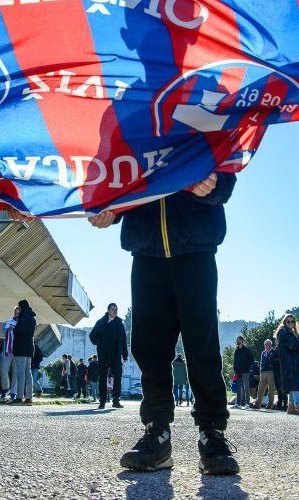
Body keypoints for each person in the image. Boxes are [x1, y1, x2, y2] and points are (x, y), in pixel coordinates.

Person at [89, 172, 239, 475]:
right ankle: (157, 433)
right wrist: (107, 204)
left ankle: (212, 432)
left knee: (203, 345)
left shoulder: (203, 122)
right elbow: (116, 163)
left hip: (195, 245)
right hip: (146, 248)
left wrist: (217, 185)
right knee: (149, 348)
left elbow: (229, 153)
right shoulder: (129, 124)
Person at [89, 303, 128, 410]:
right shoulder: (101, 322)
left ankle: (116, 400)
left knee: (118, 378)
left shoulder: (120, 324)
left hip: (116, 355)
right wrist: (101, 343)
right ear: (108, 310)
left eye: (116, 309)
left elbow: (124, 340)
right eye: (113, 309)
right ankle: (102, 401)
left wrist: (125, 355)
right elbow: (92, 336)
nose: (115, 311)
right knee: (102, 378)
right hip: (104, 355)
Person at [276, 315, 299, 415]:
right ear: (284, 322)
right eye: (288, 322)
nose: (290, 323)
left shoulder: (291, 333)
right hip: (289, 362)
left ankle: (291, 407)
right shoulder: (283, 333)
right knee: (294, 384)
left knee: (292, 384)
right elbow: (292, 345)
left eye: (292, 321)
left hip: (292, 362)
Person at [11, 299, 36, 405]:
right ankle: (29, 398)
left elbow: (21, 330)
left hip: (21, 347)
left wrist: (14, 329)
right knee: (28, 372)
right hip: (30, 347)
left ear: (21, 307)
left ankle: (19, 397)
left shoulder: (23, 317)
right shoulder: (32, 317)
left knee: (20, 372)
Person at [0, 306, 18, 402]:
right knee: (3, 370)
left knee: (15, 372)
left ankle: (13, 393)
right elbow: (4, 331)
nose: (17, 315)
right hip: (7, 350)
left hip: (18, 351)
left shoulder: (23, 323)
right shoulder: (8, 322)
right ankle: (5, 388)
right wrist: (8, 330)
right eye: (16, 313)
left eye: (19, 313)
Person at [253, 339, 277, 411]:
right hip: (263, 372)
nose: (266, 346)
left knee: (271, 390)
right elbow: (261, 363)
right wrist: (261, 371)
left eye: (268, 344)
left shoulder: (274, 352)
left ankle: (270, 404)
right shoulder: (263, 353)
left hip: (271, 372)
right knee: (260, 389)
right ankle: (257, 404)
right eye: (265, 344)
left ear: (270, 345)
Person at [233, 336, 254, 410]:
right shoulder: (236, 351)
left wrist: (247, 367)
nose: (237, 341)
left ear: (241, 341)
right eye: (237, 340)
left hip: (246, 371)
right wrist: (235, 369)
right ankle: (238, 404)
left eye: (238, 340)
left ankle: (247, 404)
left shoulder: (247, 350)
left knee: (246, 388)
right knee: (238, 388)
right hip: (238, 372)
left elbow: (251, 360)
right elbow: (234, 361)